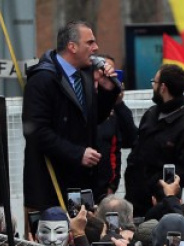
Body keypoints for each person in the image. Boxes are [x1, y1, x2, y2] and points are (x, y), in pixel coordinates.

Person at [22, 20, 120, 228]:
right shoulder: (42, 79)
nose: (96, 49)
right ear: (72, 47)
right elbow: (36, 131)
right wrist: (78, 153)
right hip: (49, 184)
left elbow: (93, 120)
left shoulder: (84, 75)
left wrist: (107, 90)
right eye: (90, 43)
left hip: (80, 184)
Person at [124, 64, 184, 217]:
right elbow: (137, 150)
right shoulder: (151, 114)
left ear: (163, 87)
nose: (153, 86)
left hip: (163, 206)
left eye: (155, 82)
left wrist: (159, 189)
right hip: (134, 199)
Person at [95, 55, 137, 200]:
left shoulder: (116, 110)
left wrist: (118, 102)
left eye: (113, 73)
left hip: (106, 188)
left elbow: (130, 139)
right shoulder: (84, 102)